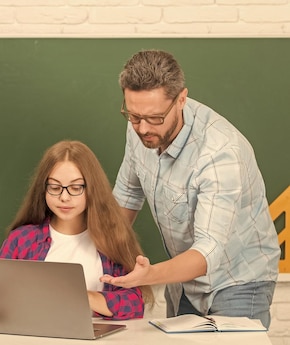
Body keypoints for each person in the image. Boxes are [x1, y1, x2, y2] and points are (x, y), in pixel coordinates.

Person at [101, 49, 280, 328]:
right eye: (133, 116)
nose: (143, 128)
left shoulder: (220, 153)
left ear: (181, 99)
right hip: (184, 282)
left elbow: (208, 250)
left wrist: (147, 276)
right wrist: (100, 250)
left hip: (238, 281)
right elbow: (128, 192)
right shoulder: (140, 126)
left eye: (155, 118)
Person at [0, 140, 153, 320]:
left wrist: (79, 295)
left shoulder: (113, 238)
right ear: (43, 189)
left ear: (92, 189)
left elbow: (134, 305)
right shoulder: (22, 239)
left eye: (76, 188)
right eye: (54, 187)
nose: (64, 197)